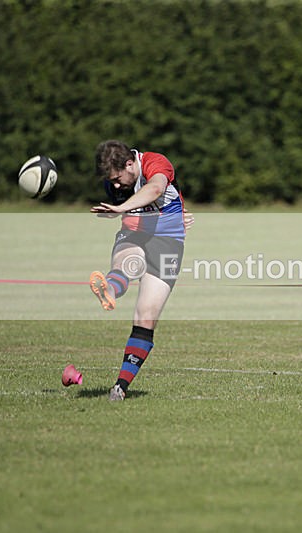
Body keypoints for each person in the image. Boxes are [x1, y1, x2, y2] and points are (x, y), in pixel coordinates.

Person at [89, 140, 189, 401]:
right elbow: (130, 214)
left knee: (146, 317)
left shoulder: (155, 162)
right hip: (134, 234)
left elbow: (155, 188)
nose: (116, 185)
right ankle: (109, 290)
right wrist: (120, 211)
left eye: (118, 178)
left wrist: (122, 207)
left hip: (169, 243)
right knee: (129, 262)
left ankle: (120, 386)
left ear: (130, 164)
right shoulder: (115, 184)